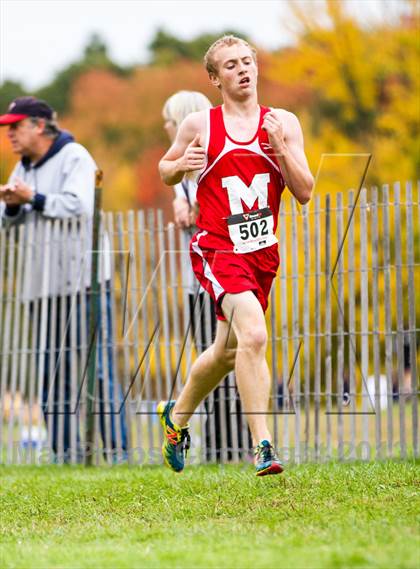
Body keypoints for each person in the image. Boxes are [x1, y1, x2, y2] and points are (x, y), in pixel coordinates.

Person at [158, 35, 314, 476]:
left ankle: (176, 418)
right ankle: (263, 445)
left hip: (262, 255)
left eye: (248, 62)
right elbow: (166, 170)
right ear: (214, 78)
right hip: (217, 249)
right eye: (230, 65)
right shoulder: (201, 125)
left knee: (228, 352)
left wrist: (280, 148)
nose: (243, 70)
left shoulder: (283, 122)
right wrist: (180, 163)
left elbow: (304, 192)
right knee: (256, 336)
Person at [0, 96, 128, 463]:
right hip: (42, 288)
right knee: (51, 374)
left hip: (84, 282)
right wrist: (11, 205)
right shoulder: (21, 168)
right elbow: (8, 221)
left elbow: (79, 205)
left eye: (16, 126)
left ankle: (118, 453)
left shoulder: (75, 156)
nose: (9, 134)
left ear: (39, 126)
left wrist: (33, 198)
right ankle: (64, 454)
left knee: (98, 369)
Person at [162, 91, 251, 462]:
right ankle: (228, 449)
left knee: (229, 355)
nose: (167, 128)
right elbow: (184, 200)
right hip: (204, 280)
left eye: (169, 121)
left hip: (236, 272)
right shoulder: (185, 169)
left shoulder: (222, 154)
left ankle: (221, 440)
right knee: (230, 354)